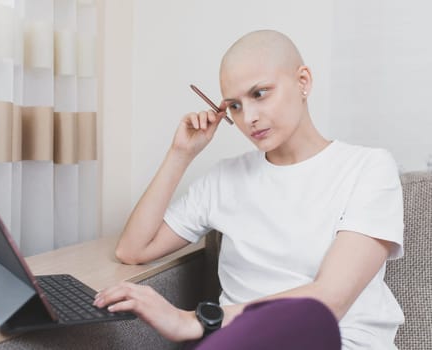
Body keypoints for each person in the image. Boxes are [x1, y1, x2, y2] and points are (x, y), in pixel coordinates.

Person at [93, 29, 404, 349]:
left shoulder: (368, 168)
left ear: (303, 81)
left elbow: (328, 302)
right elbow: (132, 250)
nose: (249, 118)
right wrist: (180, 154)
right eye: (235, 106)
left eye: (260, 94)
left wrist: (196, 320)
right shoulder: (224, 178)